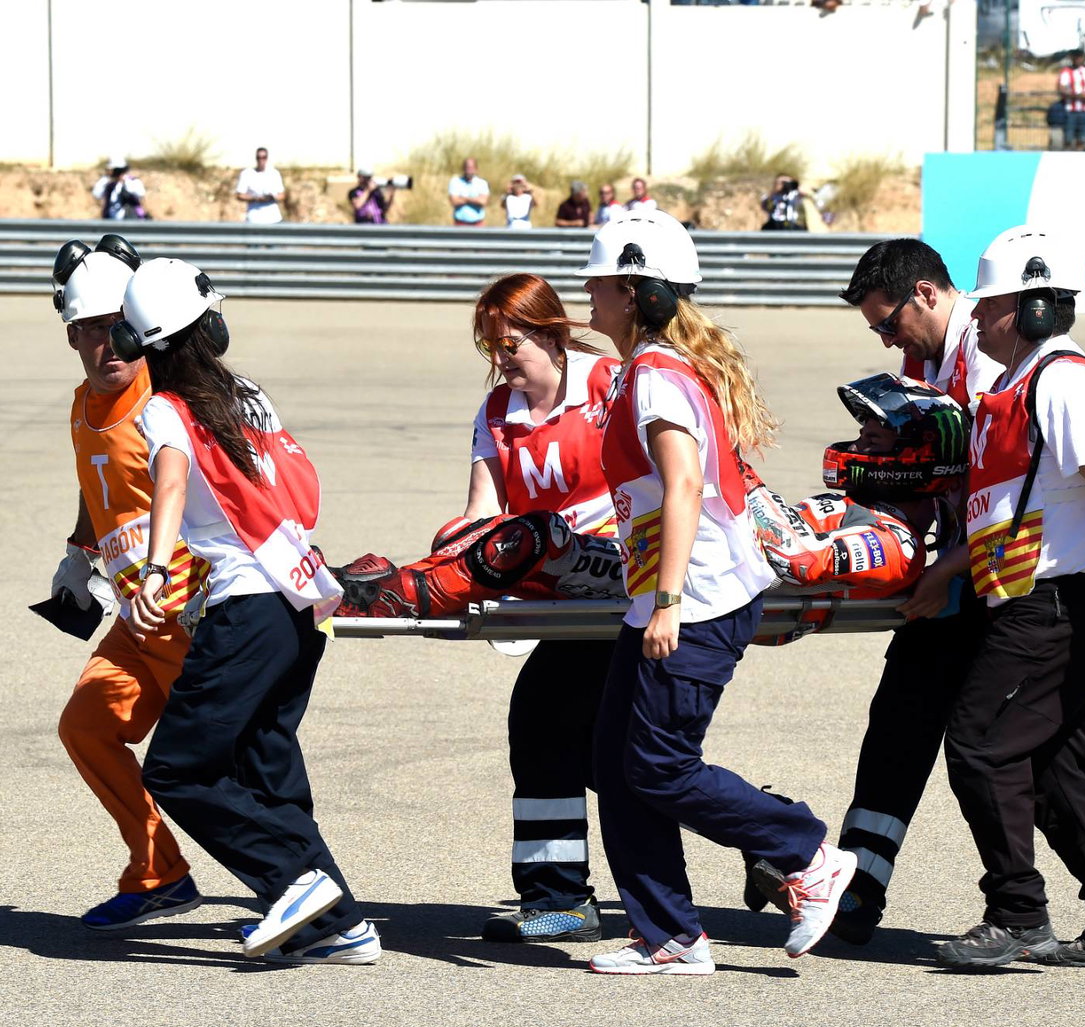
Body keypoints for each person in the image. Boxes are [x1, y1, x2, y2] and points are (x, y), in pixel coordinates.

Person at [824, 238, 1085, 946]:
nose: (886, 337)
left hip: (1041, 587)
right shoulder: (971, 368)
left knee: (991, 741)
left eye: (888, 322)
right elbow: (988, 493)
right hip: (1000, 580)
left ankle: (1021, 910)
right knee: (1035, 746)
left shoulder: (1036, 372)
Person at [579, 210, 855, 975]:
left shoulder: (659, 376)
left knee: (661, 764)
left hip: (693, 599)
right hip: (666, 595)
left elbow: (685, 483)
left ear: (631, 291)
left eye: (599, 282)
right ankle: (669, 934)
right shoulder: (653, 368)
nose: (589, 293)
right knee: (616, 759)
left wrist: (666, 601)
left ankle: (805, 853)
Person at [337, 274, 620, 944]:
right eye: (491, 345)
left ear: (552, 333)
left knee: (573, 730)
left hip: (625, 581)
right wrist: (451, 554)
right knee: (581, 739)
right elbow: (481, 515)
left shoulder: (610, 383)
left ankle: (774, 836)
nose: (500, 358)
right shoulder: (497, 411)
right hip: (555, 593)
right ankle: (562, 899)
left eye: (510, 343)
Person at [119, 257, 378, 964]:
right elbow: (299, 484)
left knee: (177, 769)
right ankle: (344, 921)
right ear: (209, 327)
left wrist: (153, 568)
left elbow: (169, 484)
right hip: (301, 600)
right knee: (268, 766)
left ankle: (295, 883)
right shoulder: (250, 396)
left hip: (247, 605)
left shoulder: (164, 409)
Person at [47, 234, 207, 931]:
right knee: (86, 724)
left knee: (228, 765)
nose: (105, 344)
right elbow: (97, 489)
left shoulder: (166, 399)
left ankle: (303, 885)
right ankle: (159, 871)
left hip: (189, 608)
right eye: (88, 331)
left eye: (117, 329)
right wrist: (80, 553)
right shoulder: (83, 405)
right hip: (133, 616)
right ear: (72, 335)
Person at [1057, 51, 1085, 151]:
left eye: (1080, 57)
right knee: (1068, 138)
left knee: (1082, 138)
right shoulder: (1066, 72)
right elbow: (1061, 89)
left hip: (1084, 110)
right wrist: (1076, 95)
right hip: (1070, 110)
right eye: (1076, 57)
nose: (1078, 59)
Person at [235, 147, 284, 224]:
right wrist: (256, 198)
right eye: (259, 158)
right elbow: (239, 195)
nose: (261, 160)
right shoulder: (247, 174)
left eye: (264, 157)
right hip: (254, 219)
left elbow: (282, 195)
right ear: (256, 158)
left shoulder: (274, 174)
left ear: (267, 158)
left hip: (274, 219)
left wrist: (272, 197)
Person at [93, 157, 147, 222]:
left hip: (130, 221)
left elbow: (141, 193)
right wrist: (106, 177)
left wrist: (125, 181)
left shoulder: (133, 181)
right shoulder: (109, 184)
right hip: (111, 222)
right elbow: (96, 194)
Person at [448, 156, 490, 227]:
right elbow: (454, 201)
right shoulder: (455, 182)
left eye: (472, 168)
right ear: (463, 168)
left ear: (476, 169)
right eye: (467, 168)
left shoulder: (482, 183)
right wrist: (475, 199)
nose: (469, 171)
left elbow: (483, 202)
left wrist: (464, 199)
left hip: (477, 224)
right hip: (460, 224)